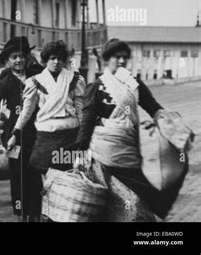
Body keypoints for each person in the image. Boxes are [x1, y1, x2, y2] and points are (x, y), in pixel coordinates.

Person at [71, 38, 186, 221]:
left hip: (129, 154)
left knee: (141, 201)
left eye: (125, 57)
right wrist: (80, 152)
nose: (122, 61)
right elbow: (87, 122)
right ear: (107, 60)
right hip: (103, 156)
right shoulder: (97, 87)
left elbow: (154, 108)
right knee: (105, 206)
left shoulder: (134, 84)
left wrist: (171, 127)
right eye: (117, 57)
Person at [8, 40, 85, 220]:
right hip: (45, 138)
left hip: (69, 136)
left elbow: (80, 109)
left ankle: (63, 216)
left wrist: (84, 136)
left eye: (59, 58)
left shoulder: (75, 79)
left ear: (65, 60)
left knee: (67, 179)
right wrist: (14, 133)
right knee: (41, 179)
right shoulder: (35, 82)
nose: (56, 62)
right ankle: (42, 214)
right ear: (45, 60)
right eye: (52, 58)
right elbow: (26, 111)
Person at [0, 37, 44, 222]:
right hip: (13, 138)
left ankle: (35, 214)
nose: (18, 60)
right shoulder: (5, 82)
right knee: (17, 176)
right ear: (7, 61)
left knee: (35, 176)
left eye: (21, 56)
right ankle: (20, 215)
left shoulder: (38, 76)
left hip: (36, 135)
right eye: (14, 57)